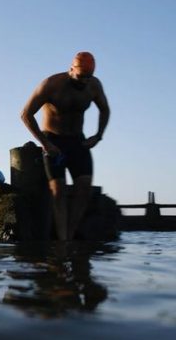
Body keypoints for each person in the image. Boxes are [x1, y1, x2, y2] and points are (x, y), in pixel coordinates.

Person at [20, 51, 110, 241]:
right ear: (71, 69)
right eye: (80, 77)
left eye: (88, 77)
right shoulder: (51, 85)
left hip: (78, 140)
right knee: (58, 190)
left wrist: (98, 136)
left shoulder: (93, 86)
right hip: (53, 141)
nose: (84, 82)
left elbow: (104, 109)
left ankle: (69, 235)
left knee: (84, 188)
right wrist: (45, 143)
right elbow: (26, 114)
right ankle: (62, 240)